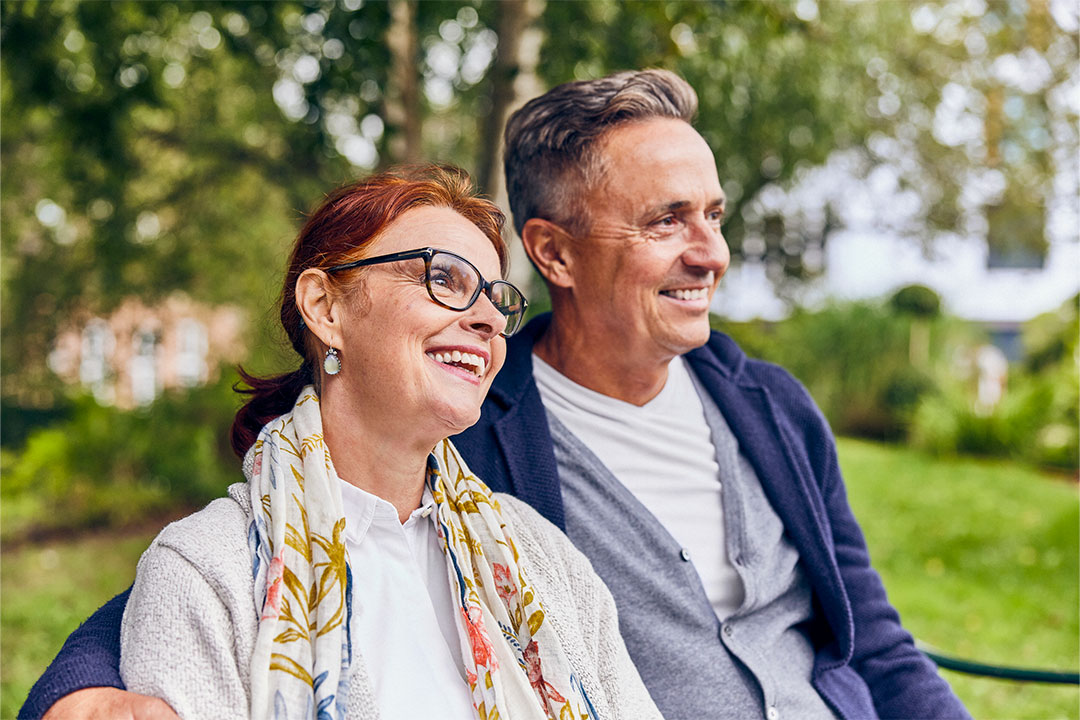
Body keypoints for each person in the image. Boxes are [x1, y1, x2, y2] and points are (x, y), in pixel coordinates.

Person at [22, 71, 970, 720]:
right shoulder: (468, 416)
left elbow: (874, 637)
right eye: (667, 220)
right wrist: (74, 691)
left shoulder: (769, 405)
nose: (711, 251)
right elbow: (238, 569)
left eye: (713, 216)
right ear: (554, 252)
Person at [34, 166, 661, 720]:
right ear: (325, 308)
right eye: (444, 278)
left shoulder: (540, 555)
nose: (490, 319)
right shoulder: (206, 569)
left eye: (498, 299)